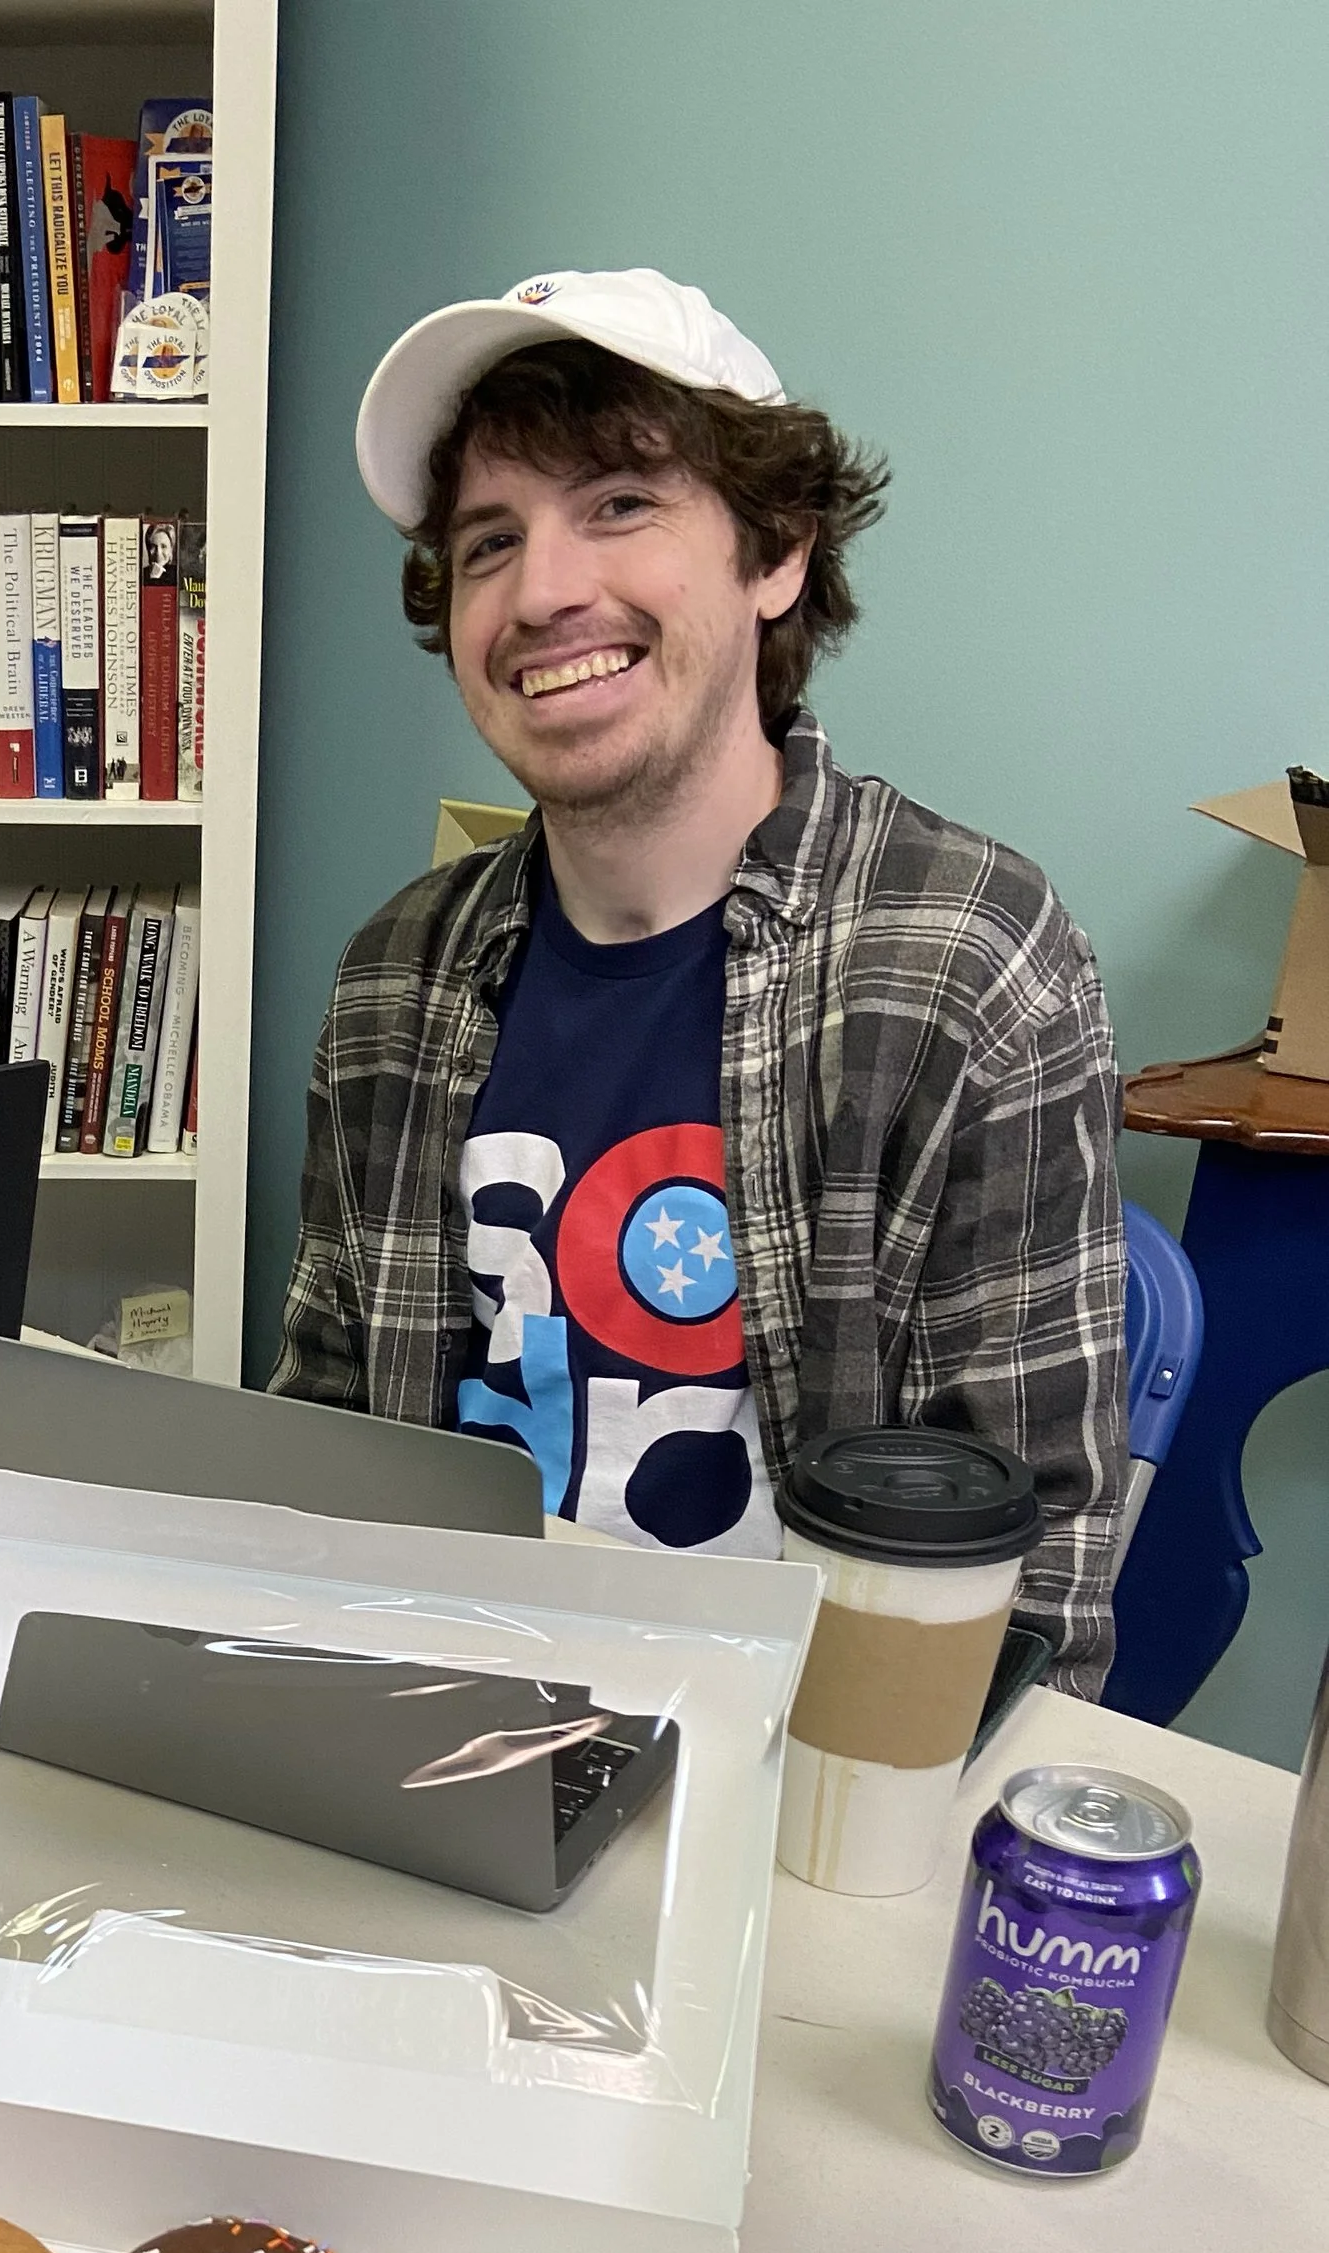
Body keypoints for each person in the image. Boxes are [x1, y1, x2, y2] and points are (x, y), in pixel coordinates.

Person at [274, 268, 1127, 1691]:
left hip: (798, 1781)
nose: (543, 591)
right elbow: (320, 1446)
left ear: (777, 548)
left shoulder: (971, 962)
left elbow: (1033, 1583)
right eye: (490, 541)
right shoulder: (393, 982)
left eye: (618, 504)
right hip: (432, 1736)